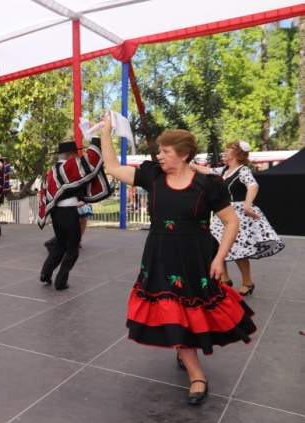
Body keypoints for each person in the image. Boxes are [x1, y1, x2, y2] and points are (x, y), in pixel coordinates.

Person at [98, 113, 256, 405]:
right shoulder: (152, 176)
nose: (159, 156)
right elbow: (111, 167)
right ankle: (197, 375)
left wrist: (220, 259)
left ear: (183, 155)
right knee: (171, 307)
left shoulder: (207, 185)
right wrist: (106, 133)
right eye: (160, 151)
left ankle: (184, 349)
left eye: (166, 152)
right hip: (161, 256)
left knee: (193, 309)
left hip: (197, 257)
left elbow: (231, 222)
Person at [191, 141, 284, 296]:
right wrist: (191, 166)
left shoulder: (243, 170)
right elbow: (208, 170)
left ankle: (248, 282)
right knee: (218, 246)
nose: (224, 152)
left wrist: (248, 206)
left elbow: (253, 186)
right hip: (224, 212)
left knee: (238, 251)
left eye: (227, 150)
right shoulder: (224, 170)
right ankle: (225, 279)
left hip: (238, 214)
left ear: (236, 154)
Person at [38, 137, 112, 290]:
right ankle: (61, 282)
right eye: (75, 154)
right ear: (69, 154)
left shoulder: (51, 170)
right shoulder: (68, 166)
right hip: (68, 214)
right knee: (72, 249)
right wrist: (96, 141)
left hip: (56, 213)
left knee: (60, 244)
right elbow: (90, 162)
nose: (78, 157)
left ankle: (45, 273)